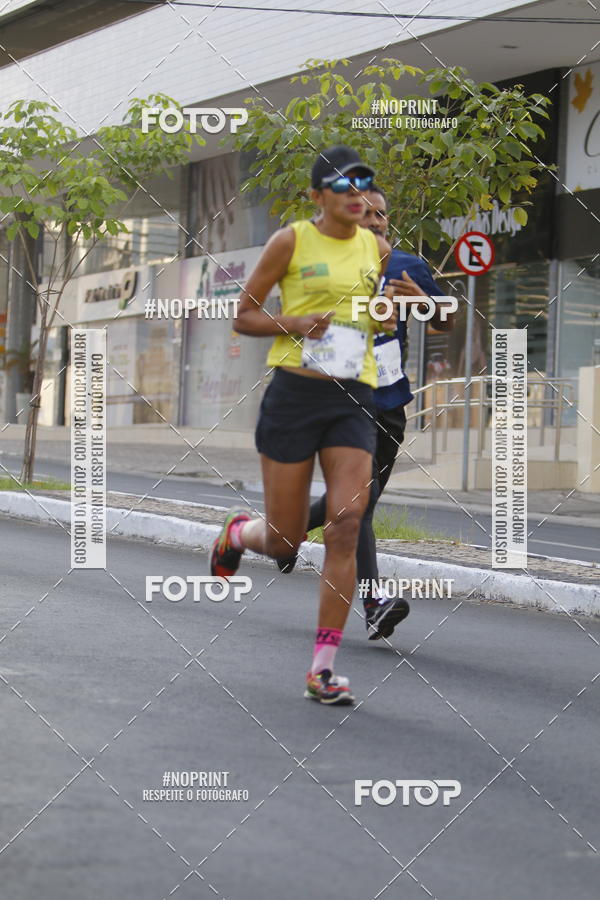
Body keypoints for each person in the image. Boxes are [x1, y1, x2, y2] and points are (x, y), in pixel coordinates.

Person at [210, 146, 396, 705]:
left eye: (365, 183)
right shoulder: (290, 241)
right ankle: (240, 532)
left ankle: (323, 668)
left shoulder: (379, 249)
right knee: (286, 537)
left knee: (345, 521)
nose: (359, 194)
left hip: (353, 397)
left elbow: (371, 316)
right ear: (318, 197)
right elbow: (243, 313)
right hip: (294, 395)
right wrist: (293, 322)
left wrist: (395, 308)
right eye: (345, 185)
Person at [303, 185, 455, 641]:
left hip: (388, 405)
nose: (374, 221)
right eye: (363, 213)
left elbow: (445, 319)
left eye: (381, 214)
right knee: (358, 504)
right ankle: (374, 602)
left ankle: (280, 531)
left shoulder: (408, 265)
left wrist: (424, 302)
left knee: (353, 502)